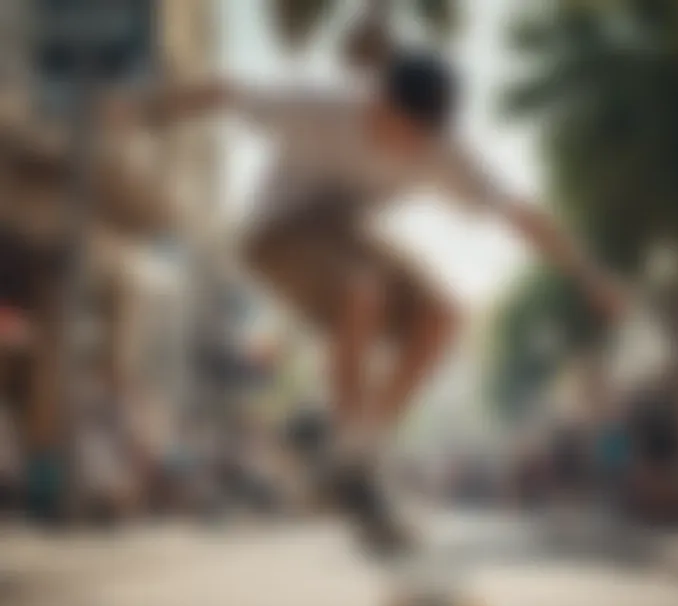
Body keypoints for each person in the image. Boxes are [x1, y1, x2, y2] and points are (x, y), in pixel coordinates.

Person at [105, 50, 624, 556]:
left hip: (347, 237)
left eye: (420, 136)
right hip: (276, 235)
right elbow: (225, 90)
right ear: (377, 102)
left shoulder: (441, 150)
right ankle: (349, 446)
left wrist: (587, 273)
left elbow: (518, 212)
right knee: (362, 289)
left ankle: (364, 452)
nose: (407, 146)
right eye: (400, 128)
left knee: (444, 314)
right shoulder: (318, 105)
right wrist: (144, 108)